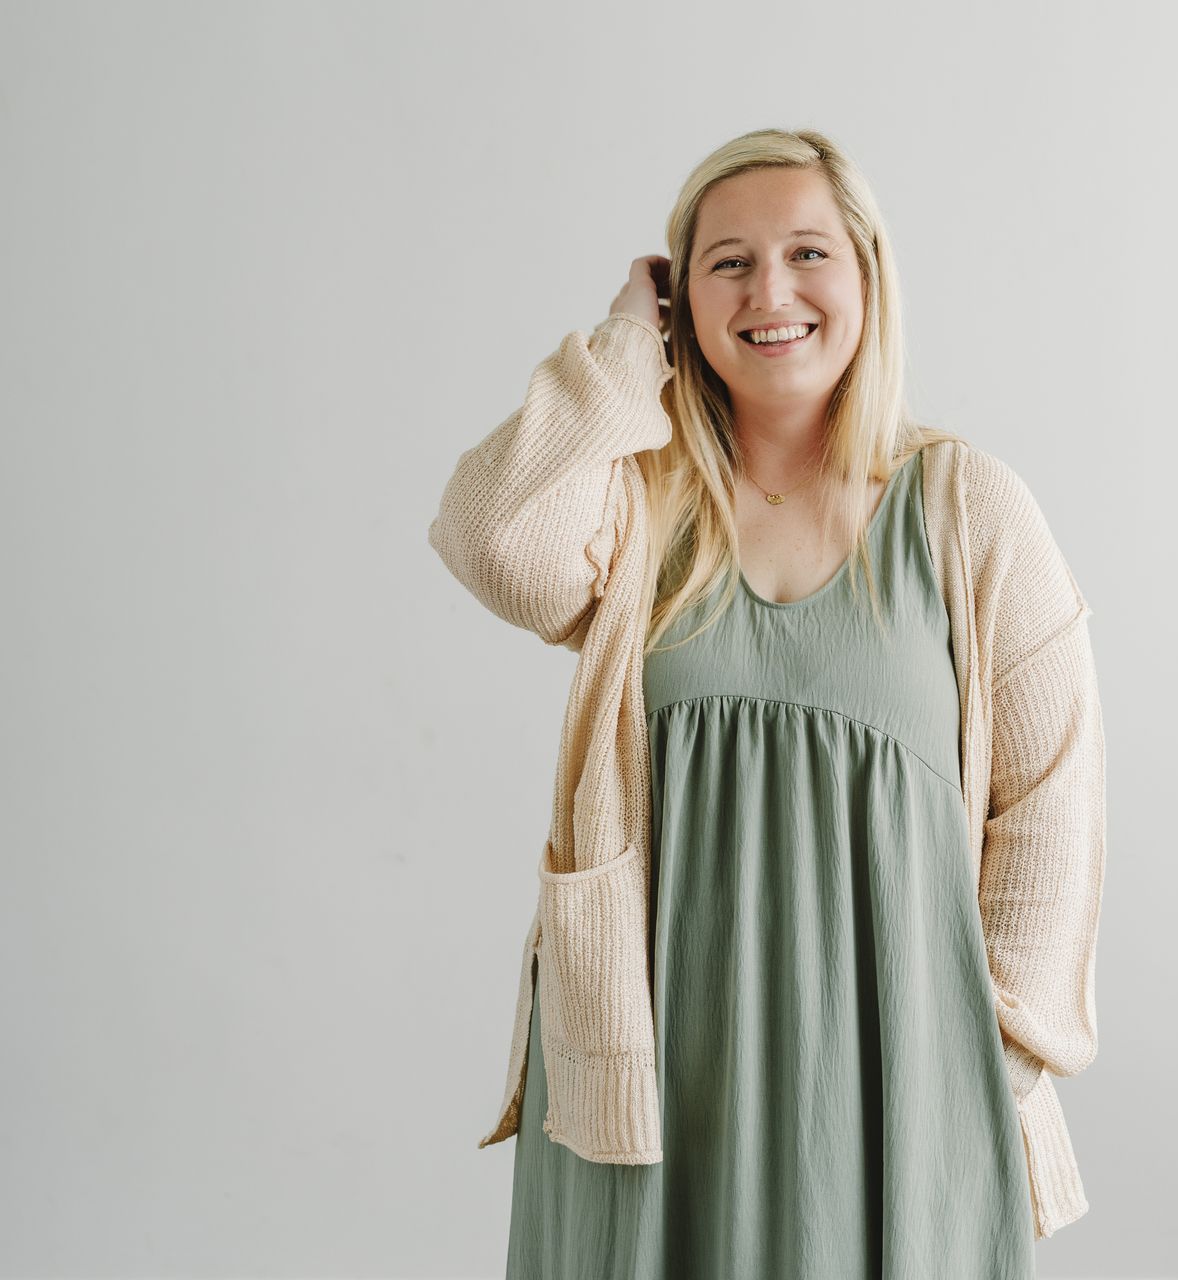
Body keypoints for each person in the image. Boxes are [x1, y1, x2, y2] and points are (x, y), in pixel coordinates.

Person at [429, 127, 1106, 1280]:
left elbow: (1053, 804)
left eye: (808, 252)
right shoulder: (636, 509)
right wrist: (612, 353)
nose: (770, 290)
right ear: (677, 297)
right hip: (646, 1063)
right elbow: (493, 538)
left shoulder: (967, 507)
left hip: (892, 1068)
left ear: (868, 276)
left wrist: (986, 1061)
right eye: (726, 261)